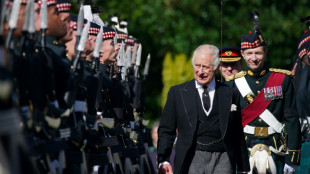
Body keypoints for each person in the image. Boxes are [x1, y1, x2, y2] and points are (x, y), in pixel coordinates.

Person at [157, 44, 250, 174]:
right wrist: (163, 160)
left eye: (206, 67)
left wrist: (243, 167)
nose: (200, 71)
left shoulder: (229, 93)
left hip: (223, 159)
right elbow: (166, 129)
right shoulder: (177, 92)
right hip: (191, 159)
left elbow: (237, 133)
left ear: (217, 67)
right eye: (197, 65)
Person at [226, 33, 301, 174]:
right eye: (249, 53)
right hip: (244, 150)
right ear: (242, 54)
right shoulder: (233, 83)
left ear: (265, 52)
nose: (254, 58)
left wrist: (293, 157)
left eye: (258, 53)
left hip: (275, 148)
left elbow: (291, 119)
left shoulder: (282, 80)